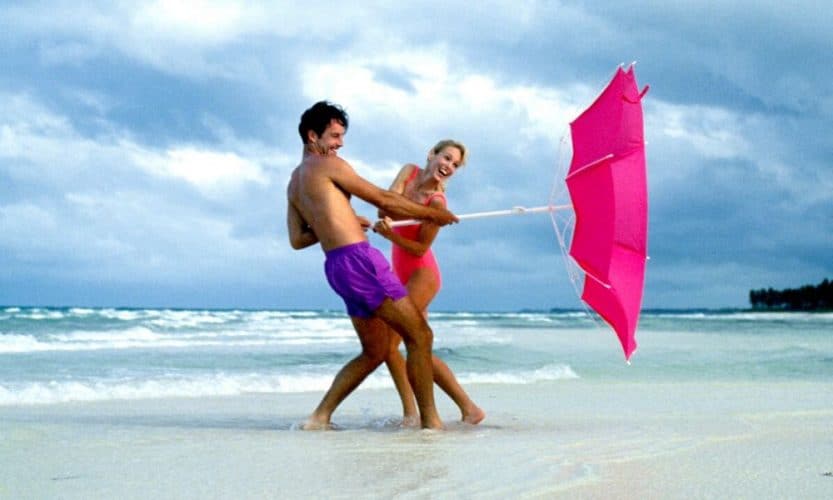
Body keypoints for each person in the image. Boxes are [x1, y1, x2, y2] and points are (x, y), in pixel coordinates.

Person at [286, 101, 458, 430]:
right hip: (360, 261)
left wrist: (343, 220)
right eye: (335, 136)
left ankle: (319, 418)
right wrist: (434, 215)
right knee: (420, 335)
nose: (340, 144)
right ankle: (431, 424)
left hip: (336, 266)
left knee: (375, 350)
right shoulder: (328, 165)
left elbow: (298, 238)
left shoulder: (295, 182)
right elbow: (384, 199)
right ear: (313, 136)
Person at [374, 140, 485, 426]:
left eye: (455, 164)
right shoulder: (409, 172)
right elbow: (385, 205)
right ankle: (461, 409)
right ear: (431, 155)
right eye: (446, 158)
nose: (448, 166)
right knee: (407, 347)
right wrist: (393, 216)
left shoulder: (437, 203)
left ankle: (419, 412)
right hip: (398, 271)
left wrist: (390, 233)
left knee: (395, 343)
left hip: (423, 273)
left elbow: (419, 249)